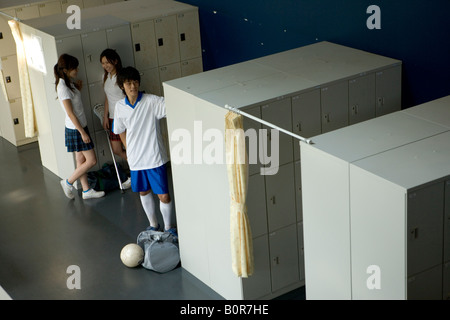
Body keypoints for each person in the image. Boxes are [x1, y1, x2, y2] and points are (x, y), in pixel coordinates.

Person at [112, 66, 177, 238]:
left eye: (135, 82)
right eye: (128, 83)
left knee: (163, 195)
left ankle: (169, 227)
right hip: (136, 160)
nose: (132, 86)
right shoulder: (119, 107)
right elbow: (119, 130)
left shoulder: (152, 101)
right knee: (144, 192)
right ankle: (153, 225)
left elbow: (173, 106)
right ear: (122, 86)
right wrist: (129, 150)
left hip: (155, 158)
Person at [55, 54, 105, 200]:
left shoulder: (68, 83)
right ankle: (68, 182)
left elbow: (74, 105)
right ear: (65, 70)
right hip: (76, 128)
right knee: (92, 161)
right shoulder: (62, 87)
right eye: (74, 68)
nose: (77, 70)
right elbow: (70, 113)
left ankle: (86, 190)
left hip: (79, 126)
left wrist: (78, 90)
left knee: (81, 160)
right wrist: (83, 132)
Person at [100, 49, 131, 189]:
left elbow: (129, 96)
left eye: (107, 62)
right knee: (117, 149)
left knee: (130, 146)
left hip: (124, 117)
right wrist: (105, 116)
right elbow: (107, 98)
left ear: (115, 61)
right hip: (113, 118)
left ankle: (135, 173)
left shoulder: (122, 76)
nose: (105, 65)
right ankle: (136, 165)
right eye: (103, 63)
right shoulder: (105, 77)